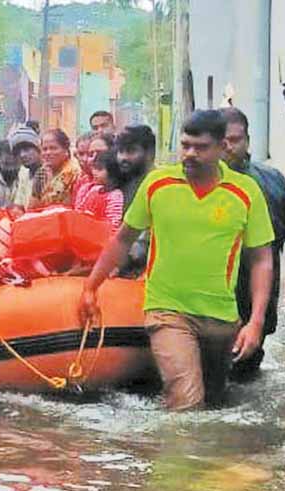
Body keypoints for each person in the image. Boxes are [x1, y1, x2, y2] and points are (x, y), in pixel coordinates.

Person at [78, 110, 275, 411]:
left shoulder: (245, 192)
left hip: (221, 319)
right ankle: (174, 457)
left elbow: (261, 259)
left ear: (222, 148)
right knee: (187, 402)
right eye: (185, 145)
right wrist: (91, 287)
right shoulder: (158, 184)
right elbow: (123, 239)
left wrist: (256, 323)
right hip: (167, 311)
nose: (190, 154)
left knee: (214, 404)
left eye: (201, 147)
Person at [220, 107, 285, 380]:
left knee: (245, 380)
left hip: (256, 298)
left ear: (247, 141)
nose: (228, 147)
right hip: (207, 302)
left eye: (235, 140)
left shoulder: (271, 182)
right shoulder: (193, 185)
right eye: (222, 140)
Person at [74, 150, 124, 234]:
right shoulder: (93, 190)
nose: (95, 172)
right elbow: (79, 211)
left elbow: (113, 225)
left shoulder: (115, 195)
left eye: (99, 169)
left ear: (112, 172)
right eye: (94, 168)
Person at [31, 128, 81, 208]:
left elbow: (68, 207)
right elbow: (33, 207)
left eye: (53, 148)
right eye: (44, 149)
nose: (48, 153)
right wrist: (37, 187)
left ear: (65, 150)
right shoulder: (43, 172)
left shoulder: (74, 172)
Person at [114, 125, 156, 213]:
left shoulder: (159, 185)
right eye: (120, 151)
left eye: (131, 151)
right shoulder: (123, 181)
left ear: (150, 152)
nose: (123, 158)